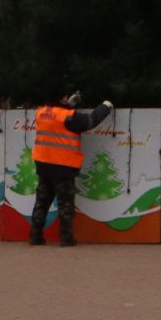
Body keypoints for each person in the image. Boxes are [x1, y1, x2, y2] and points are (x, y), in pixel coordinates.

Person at [29, 91, 114, 247]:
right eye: (67, 96)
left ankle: (35, 237)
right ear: (61, 98)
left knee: (41, 202)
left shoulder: (41, 113)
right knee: (65, 205)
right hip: (62, 166)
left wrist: (67, 105)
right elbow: (90, 121)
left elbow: (57, 116)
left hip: (43, 165)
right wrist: (106, 106)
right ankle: (66, 239)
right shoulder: (68, 117)